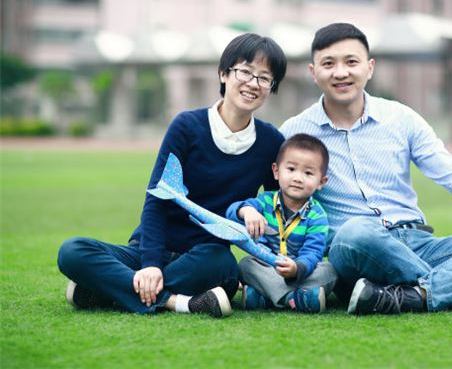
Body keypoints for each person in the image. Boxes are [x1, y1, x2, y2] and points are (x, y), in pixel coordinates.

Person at [279, 23, 452, 315]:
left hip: (419, 243)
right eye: (329, 64)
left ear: (369, 68)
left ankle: (412, 295)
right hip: (355, 249)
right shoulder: (294, 132)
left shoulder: (401, 118)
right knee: (355, 231)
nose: (340, 72)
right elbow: (278, 200)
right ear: (313, 72)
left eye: (351, 62)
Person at [57, 33, 287, 317]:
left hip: (203, 256)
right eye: (245, 72)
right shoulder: (187, 126)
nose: (253, 83)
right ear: (223, 74)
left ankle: (109, 290)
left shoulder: (271, 142)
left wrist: (262, 227)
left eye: (264, 78)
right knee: (73, 251)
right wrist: (151, 264)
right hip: (151, 248)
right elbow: (157, 199)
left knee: (224, 266)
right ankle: (177, 302)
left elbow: (277, 205)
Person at [226, 133, 337, 313]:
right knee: (246, 265)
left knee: (329, 271)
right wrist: (247, 211)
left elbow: (313, 252)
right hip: (267, 267)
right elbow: (231, 213)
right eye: (291, 169)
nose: (298, 178)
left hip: (300, 271)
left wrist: (297, 268)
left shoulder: (317, 215)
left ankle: (263, 297)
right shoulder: (265, 201)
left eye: (308, 173)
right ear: (276, 171)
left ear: (321, 182)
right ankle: (294, 298)